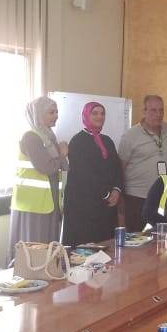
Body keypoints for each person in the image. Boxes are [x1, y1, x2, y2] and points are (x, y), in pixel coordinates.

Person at [8, 96, 69, 265]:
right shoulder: (31, 137)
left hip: (49, 202)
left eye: (57, 112)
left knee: (48, 250)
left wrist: (61, 154)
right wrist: (62, 153)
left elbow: (63, 167)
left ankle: (47, 276)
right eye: (51, 112)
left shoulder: (49, 137)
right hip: (32, 205)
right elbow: (47, 167)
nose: (56, 116)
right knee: (34, 252)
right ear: (38, 114)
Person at [62, 102, 123, 246]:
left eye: (102, 113)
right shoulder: (77, 141)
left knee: (105, 246)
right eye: (94, 113)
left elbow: (117, 168)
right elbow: (84, 175)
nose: (99, 117)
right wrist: (106, 194)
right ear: (86, 116)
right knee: (84, 249)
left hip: (106, 206)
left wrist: (117, 190)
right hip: (83, 206)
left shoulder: (107, 141)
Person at [117, 95, 167, 232]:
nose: (158, 114)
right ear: (144, 111)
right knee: (139, 240)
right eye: (153, 110)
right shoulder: (130, 136)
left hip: (163, 197)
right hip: (138, 199)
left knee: (161, 239)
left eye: (161, 110)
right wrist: (121, 203)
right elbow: (119, 169)